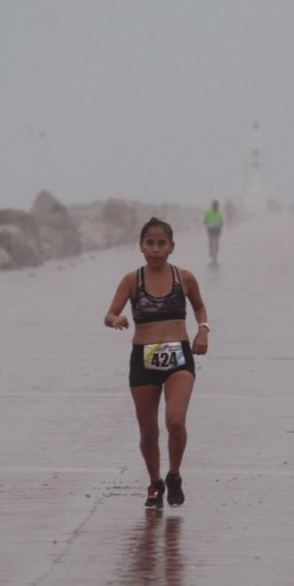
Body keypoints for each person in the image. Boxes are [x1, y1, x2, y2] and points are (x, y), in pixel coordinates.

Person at [104, 217, 210, 509]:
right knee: (148, 431)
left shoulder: (184, 278)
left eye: (161, 243)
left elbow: (199, 306)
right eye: (149, 243)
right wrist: (117, 319)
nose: (155, 249)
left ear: (172, 247)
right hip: (144, 359)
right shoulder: (131, 280)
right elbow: (109, 313)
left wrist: (203, 329)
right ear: (140, 246)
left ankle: (174, 474)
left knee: (175, 421)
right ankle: (155, 482)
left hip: (178, 355)